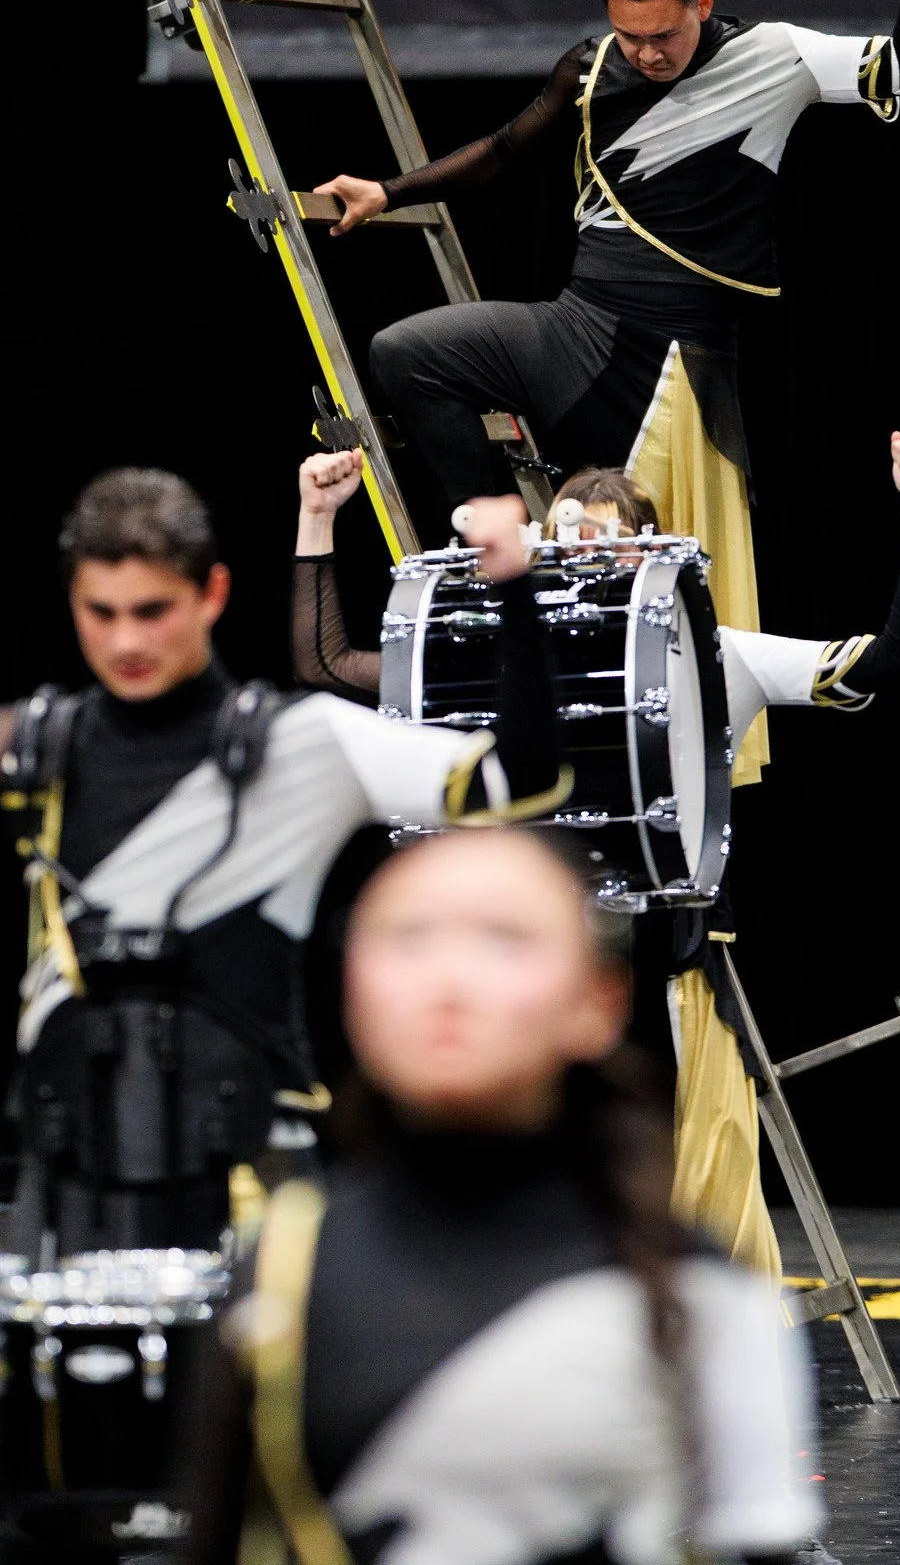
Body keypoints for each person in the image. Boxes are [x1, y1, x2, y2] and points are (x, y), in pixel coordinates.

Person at [315, 0, 900, 778]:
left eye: (664, 34)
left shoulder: (778, 57)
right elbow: (502, 149)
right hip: (577, 325)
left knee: (660, 630)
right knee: (407, 353)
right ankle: (484, 552)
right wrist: (389, 190)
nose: (646, 52)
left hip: (675, 364)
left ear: (702, 1)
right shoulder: (592, 66)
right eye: (630, 34)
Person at [288, 431, 900, 1279]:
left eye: (603, 536)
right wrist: (315, 516)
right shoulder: (504, 653)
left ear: (651, 555)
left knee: (659, 1165)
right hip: (539, 943)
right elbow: (326, 662)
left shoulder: (716, 650)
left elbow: (891, 662)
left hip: (662, 953)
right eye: (564, 536)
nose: (580, 554)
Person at [183, 829, 823, 1565]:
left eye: (505, 937)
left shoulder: (698, 1290)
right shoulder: (284, 1271)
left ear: (598, 1001)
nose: (447, 979)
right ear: (350, 985)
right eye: (406, 935)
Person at [0, 469, 566, 1259]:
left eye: (152, 610)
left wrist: (514, 588)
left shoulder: (310, 743)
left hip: (249, 1176)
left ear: (212, 592)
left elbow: (524, 779)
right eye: (102, 612)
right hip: (61, 1176)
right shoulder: (31, 748)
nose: (126, 640)